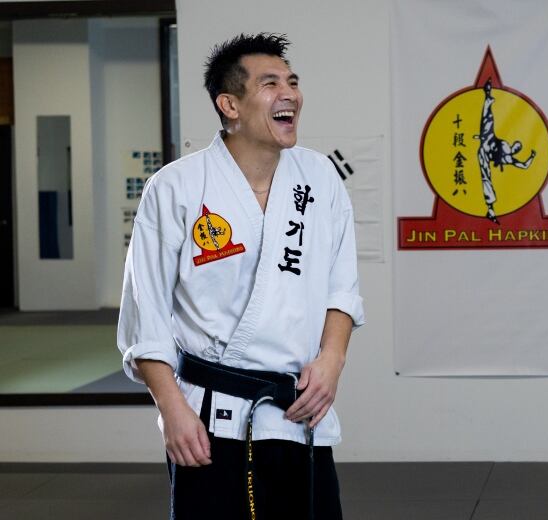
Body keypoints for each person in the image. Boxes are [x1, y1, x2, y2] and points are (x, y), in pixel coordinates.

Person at [117, 33, 364, 519]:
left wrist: (332, 359)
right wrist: (171, 408)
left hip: (299, 413)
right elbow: (146, 316)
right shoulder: (177, 188)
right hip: (209, 418)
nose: (289, 93)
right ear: (229, 104)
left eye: (292, 81)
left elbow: (342, 288)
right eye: (270, 83)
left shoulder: (320, 179)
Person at [477, 80, 535, 224]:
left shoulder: (509, 158)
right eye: (516, 144)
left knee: (486, 178)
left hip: (486, 153)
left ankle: (490, 210)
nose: (515, 146)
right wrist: (481, 137)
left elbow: (524, 166)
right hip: (488, 143)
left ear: (516, 151)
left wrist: (532, 157)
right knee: (488, 122)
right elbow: (491, 134)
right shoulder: (505, 145)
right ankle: (488, 96)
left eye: (517, 148)